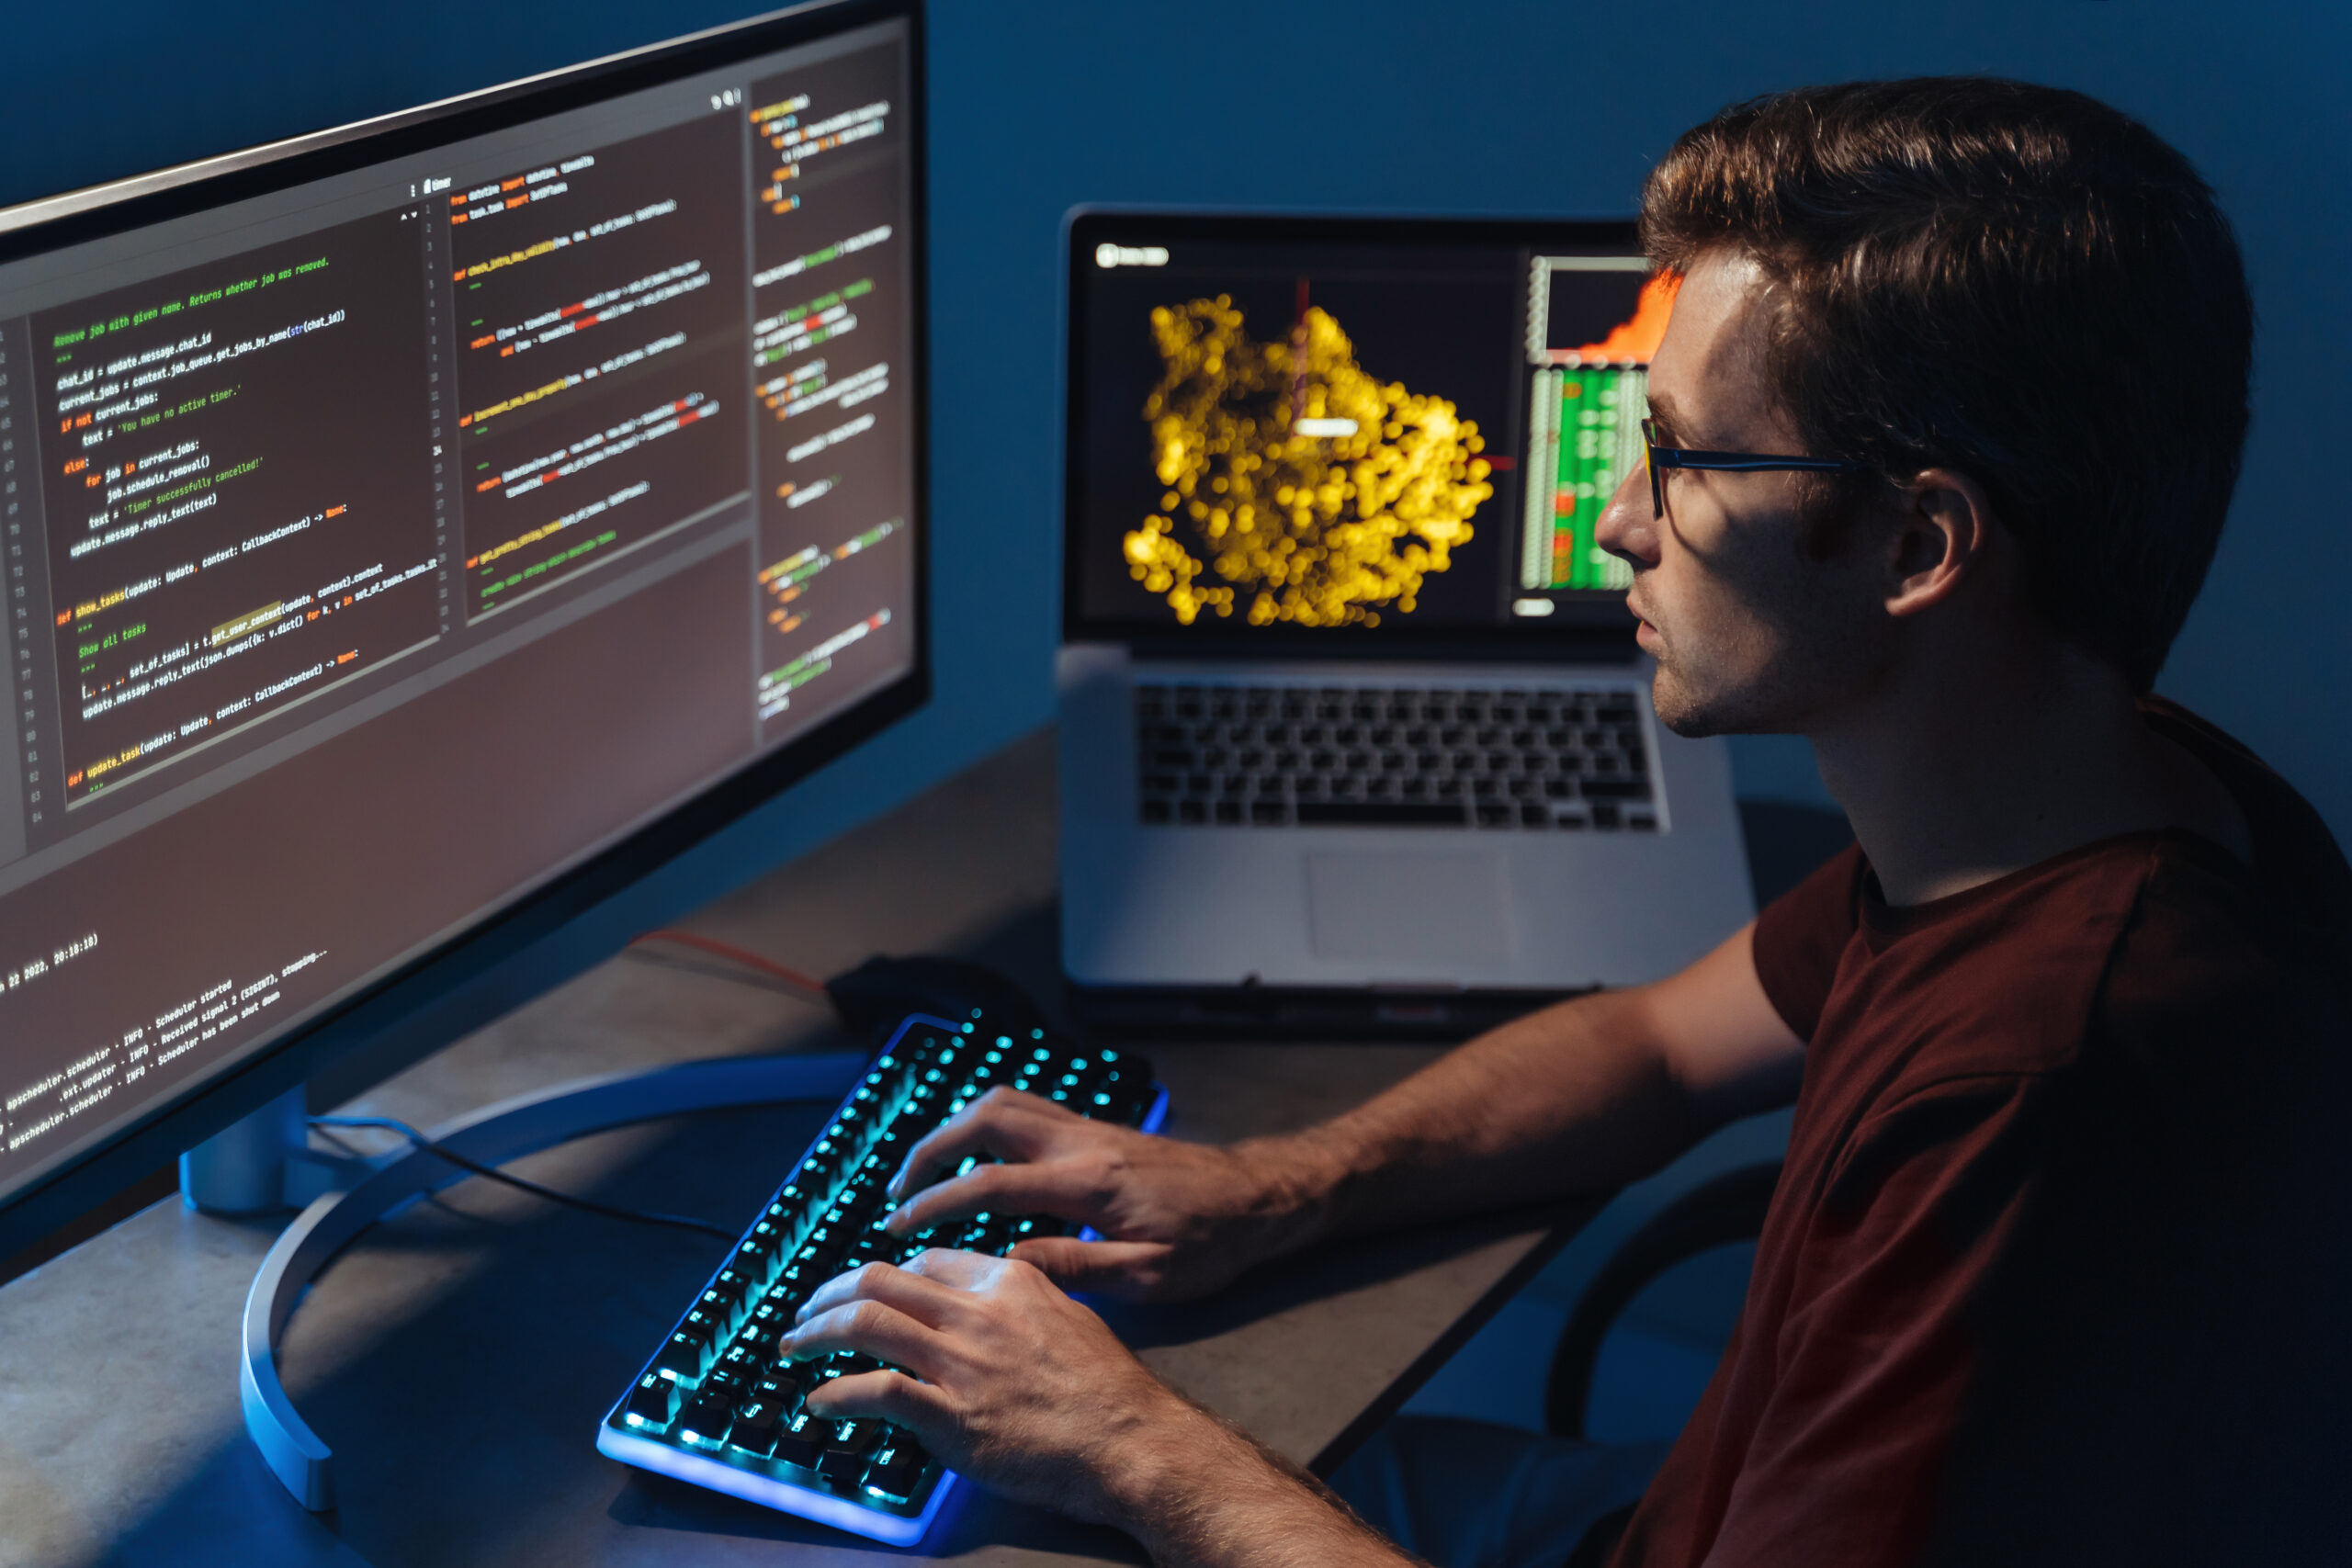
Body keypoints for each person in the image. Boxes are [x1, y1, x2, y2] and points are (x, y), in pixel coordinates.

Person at [776, 77, 2352, 1567]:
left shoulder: (2042, 1083)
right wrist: (1267, 1190)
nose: (1616, 522)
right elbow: (1666, 1045)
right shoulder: (2092, 790)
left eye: (1678, 457)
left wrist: (1126, 1443)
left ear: (1919, 543)